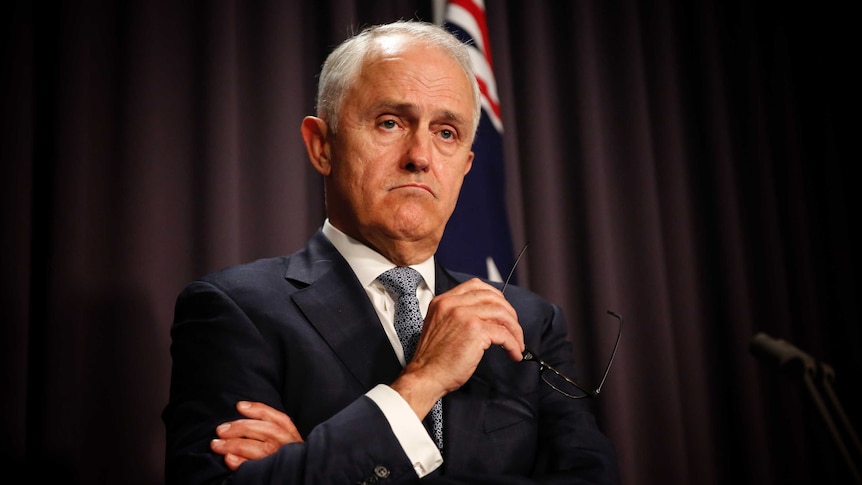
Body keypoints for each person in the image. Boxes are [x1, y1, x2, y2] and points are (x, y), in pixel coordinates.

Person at [162, 19, 619, 484]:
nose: (420, 155)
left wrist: (315, 463)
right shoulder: (236, 308)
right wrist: (422, 381)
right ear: (322, 146)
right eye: (390, 122)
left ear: (465, 166)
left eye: (446, 133)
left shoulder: (528, 323)